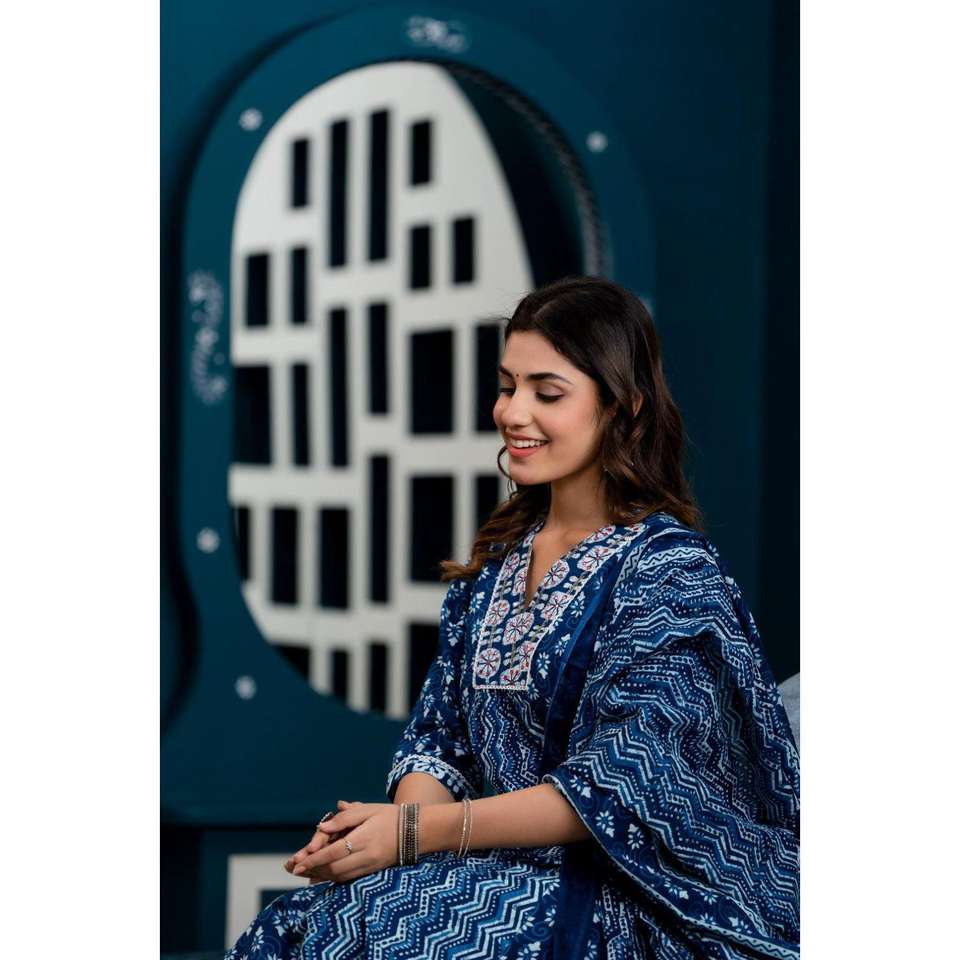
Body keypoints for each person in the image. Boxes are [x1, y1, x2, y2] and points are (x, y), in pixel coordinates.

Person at [224, 276, 800, 959]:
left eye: (547, 393)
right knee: (309, 922)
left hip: (636, 893)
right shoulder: (496, 564)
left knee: (389, 936)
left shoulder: (668, 573)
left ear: (623, 407)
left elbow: (619, 784)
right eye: (507, 386)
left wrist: (416, 835)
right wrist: (386, 836)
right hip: (498, 866)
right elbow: (441, 742)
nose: (513, 412)